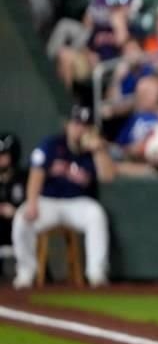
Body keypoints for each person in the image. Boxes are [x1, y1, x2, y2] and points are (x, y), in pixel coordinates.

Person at [11, 106, 115, 289]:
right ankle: (26, 272)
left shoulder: (94, 151)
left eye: (85, 125)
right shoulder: (52, 144)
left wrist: (99, 151)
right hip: (48, 201)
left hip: (77, 203)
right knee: (21, 218)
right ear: (68, 125)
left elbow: (108, 177)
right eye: (77, 124)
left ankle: (96, 273)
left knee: (96, 214)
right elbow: (36, 173)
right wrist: (32, 202)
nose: (80, 129)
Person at [0, 133, 27, 256]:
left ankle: (37, 272)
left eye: (3, 155)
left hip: (21, 228)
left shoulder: (24, 178)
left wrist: (16, 212)